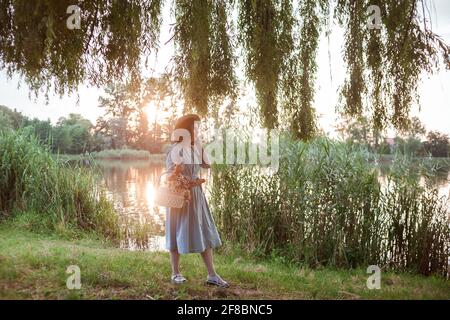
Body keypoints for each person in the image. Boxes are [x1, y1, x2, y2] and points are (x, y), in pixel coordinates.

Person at [165, 114, 229, 288]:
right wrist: (183, 179)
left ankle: (212, 275)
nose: (198, 130)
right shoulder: (175, 149)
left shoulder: (195, 147)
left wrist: (199, 144)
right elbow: (170, 176)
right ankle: (175, 273)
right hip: (179, 196)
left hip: (196, 196)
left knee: (204, 231)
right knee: (175, 230)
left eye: (199, 127)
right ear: (186, 129)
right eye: (195, 127)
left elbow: (207, 165)